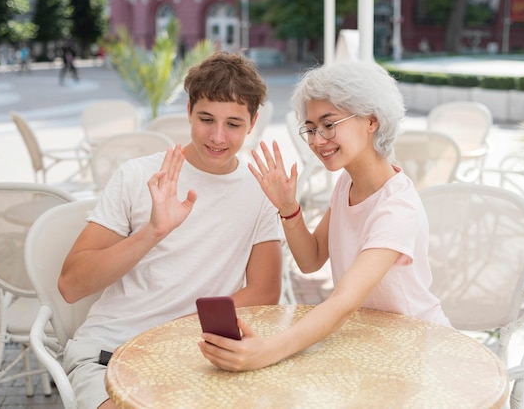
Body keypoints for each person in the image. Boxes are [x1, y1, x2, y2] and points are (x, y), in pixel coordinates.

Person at [58, 51, 283, 408]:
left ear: (253, 123)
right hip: (111, 351)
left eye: (234, 124)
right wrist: (152, 232)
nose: (218, 136)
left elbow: (265, 291)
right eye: (206, 118)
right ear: (189, 110)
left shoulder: (260, 191)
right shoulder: (138, 175)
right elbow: (71, 286)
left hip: (197, 357)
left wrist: (175, 333)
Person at [198, 60, 452, 372]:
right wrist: (288, 207)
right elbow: (311, 259)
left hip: (417, 349)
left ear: (371, 120)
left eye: (329, 124)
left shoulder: (397, 208)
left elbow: (344, 302)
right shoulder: (349, 181)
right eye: (311, 128)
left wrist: (267, 350)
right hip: (374, 344)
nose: (318, 140)